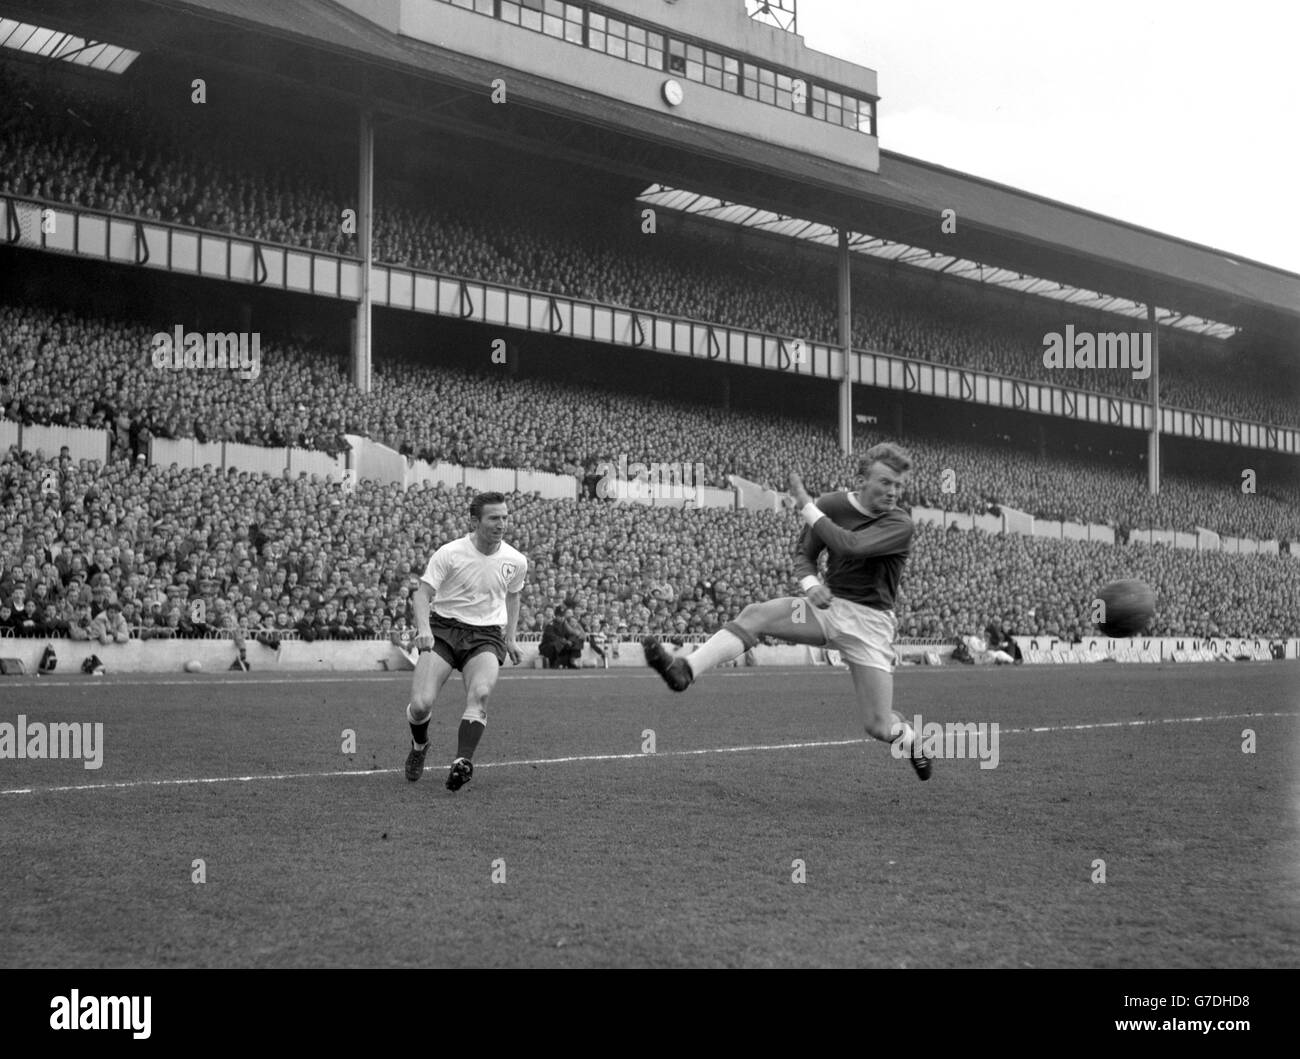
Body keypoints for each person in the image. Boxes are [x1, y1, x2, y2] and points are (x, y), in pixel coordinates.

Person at [643, 443, 931, 780]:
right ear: (863, 479)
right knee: (756, 614)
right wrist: (811, 585)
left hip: (870, 625)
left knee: (879, 726)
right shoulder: (833, 505)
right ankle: (685, 670)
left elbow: (850, 546)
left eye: (898, 485)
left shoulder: (900, 523)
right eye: (885, 482)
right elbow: (804, 554)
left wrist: (807, 506)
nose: (893, 491)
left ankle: (912, 741)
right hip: (826, 608)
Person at [403, 491, 527, 792]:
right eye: (494, 518)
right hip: (444, 629)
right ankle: (420, 746)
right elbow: (422, 594)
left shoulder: (515, 560)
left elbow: (513, 594)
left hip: (485, 635)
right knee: (421, 705)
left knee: (481, 693)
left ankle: (462, 762)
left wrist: (510, 637)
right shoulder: (450, 552)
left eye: (505, 517)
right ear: (475, 521)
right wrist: (424, 628)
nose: (502, 524)